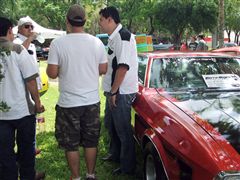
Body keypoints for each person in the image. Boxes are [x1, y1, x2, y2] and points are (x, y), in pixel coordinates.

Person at [46, 4, 107, 180]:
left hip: (68, 103)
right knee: (91, 141)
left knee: (71, 144)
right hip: (91, 102)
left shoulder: (58, 43)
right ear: (85, 21)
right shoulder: (96, 42)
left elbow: (51, 73)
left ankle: (75, 177)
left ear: (67, 21)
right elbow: (103, 68)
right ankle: (90, 174)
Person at [0, 17, 45, 180]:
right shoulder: (18, 49)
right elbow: (31, 79)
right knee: (27, 153)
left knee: (5, 157)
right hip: (23, 111)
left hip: (1, 116)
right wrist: (38, 103)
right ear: (9, 31)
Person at [99, 6, 138, 175]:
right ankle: (115, 155)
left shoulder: (123, 37)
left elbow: (123, 67)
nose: (99, 24)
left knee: (123, 130)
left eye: (101, 20)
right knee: (110, 124)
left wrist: (114, 91)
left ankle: (127, 166)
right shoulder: (114, 37)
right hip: (113, 91)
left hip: (121, 92)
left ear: (110, 19)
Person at [14, 17, 43, 156]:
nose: (30, 29)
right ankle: (27, 150)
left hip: (33, 84)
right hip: (23, 86)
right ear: (19, 28)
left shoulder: (29, 42)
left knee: (33, 116)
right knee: (26, 119)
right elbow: (18, 51)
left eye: (31, 27)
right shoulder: (16, 42)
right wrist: (30, 39)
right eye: (27, 26)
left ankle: (32, 147)